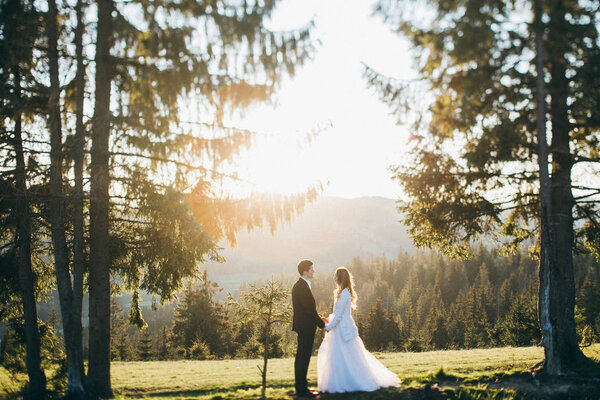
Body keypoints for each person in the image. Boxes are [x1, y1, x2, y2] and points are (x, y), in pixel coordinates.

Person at [317, 266, 401, 393]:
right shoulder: (340, 292)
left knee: (349, 355)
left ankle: (353, 380)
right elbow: (337, 313)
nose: (333, 277)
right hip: (339, 328)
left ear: (340, 277)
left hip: (343, 329)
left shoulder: (345, 293)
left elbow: (339, 314)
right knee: (341, 356)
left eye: (335, 275)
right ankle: (342, 380)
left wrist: (328, 327)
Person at [292, 259, 327, 398]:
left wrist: (320, 318)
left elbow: (309, 309)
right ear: (305, 271)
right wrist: (323, 325)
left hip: (305, 326)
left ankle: (302, 386)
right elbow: (309, 311)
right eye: (312, 269)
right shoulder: (301, 287)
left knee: (303, 356)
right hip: (305, 327)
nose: (314, 271)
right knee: (303, 357)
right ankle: (301, 389)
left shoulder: (302, 285)